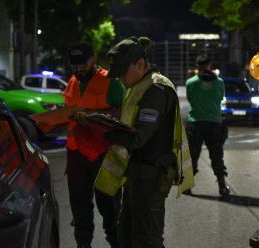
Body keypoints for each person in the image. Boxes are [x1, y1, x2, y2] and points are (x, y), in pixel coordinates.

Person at [94, 36, 194, 248]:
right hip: (137, 174)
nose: (120, 79)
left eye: (123, 73)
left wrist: (103, 131)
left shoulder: (156, 90)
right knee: (128, 235)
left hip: (151, 176)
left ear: (140, 64)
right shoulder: (138, 86)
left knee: (147, 240)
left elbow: (138, 137)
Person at [64, 43, 124, 248]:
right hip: (75, 154)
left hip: (104, 154)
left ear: (93, 59)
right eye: (75, 65)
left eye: (82, 63)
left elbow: (122, 112)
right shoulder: (72, 82)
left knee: (111, 210)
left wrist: (92, 116)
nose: (78, 68)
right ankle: (83, 245)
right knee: (80, 209)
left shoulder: (111, 81)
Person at [185, 54, 230, 197]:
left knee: (192, 155)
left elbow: (190, 99)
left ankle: (187, 185)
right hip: (214, 123)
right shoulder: (220, 82)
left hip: (195, 123)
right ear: (210, 65)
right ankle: (222, 186)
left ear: (197, 66)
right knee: (216, 155)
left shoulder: (191, 83)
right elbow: (220, 98)